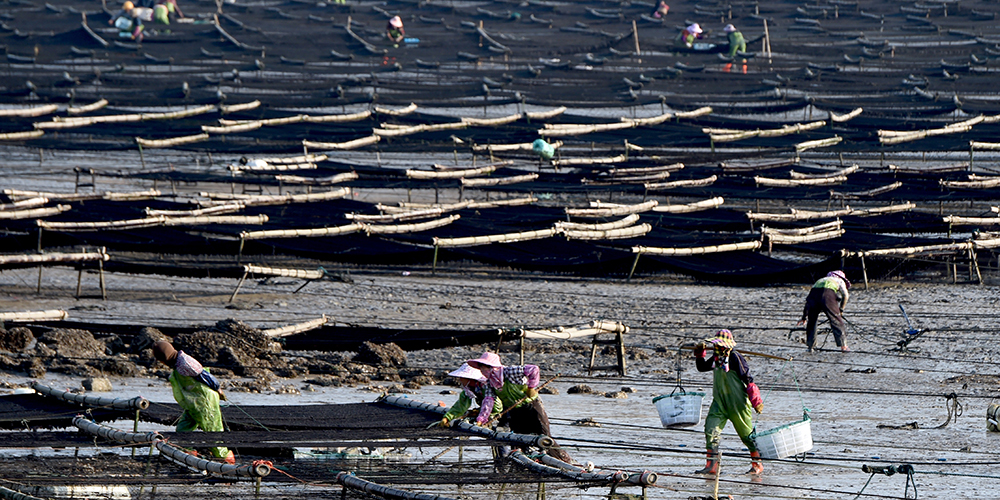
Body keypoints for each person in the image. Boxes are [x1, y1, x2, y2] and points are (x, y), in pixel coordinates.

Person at [466, 351, 574, 463]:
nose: (482, 371)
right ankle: (525, 464)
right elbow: (488, 401)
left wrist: (531, 387)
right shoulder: (490, 383)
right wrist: (481, 419)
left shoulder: (509, 372)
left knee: (544, 436)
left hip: (531, 405)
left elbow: (534, 369)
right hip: (515, 410)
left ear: (491, 367)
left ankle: (564, 461)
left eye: (483, 368)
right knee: (519, 438)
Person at [693, 330, 764, 475]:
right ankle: (711, 466)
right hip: (719, 402)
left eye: (719, 346)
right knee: (711, 430)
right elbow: (702, 368)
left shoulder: (735, 358)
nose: (716, 348)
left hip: (737, 404)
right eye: (716, 346)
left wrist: (756, 401)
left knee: (747, 435)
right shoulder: (717, 358)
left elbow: (748, 380)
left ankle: (757, 464)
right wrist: (700, 355)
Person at [152, 341, 235, 464]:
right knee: (183, 428)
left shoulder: (185, 363)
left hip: (205, 402)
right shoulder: (176, 364)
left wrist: (218, 389)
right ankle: (187, 453)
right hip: (194, 403)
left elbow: (205, 376)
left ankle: (226, 461)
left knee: (213, 431)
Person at [436, 363, 503, 427]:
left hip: (500, 411)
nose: (460, 380)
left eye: (462, 377)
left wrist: (480, 418)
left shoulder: (486, 387)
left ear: (470, 379)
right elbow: (460, 406)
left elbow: (496, 406)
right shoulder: (468, 391)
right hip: (486, 412)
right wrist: (447, 418)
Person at [799, 270, 851, 352]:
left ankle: (810, 346)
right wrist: (841, 309)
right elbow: (845, 295)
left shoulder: (819, 280)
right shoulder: (839, 280)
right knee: (836, 320)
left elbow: (809, 300)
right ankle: (843, 346)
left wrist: (804, 316)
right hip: (827, 296)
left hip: (814, 296)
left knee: (812, 321)